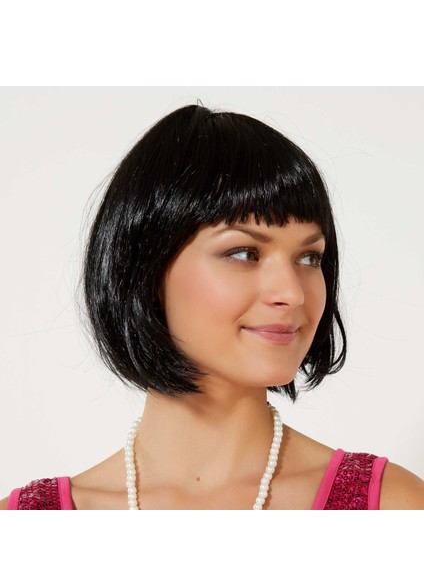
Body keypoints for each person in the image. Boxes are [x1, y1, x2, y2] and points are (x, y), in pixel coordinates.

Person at [2, 104, 423, 510]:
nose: (293, 293)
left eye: (309, 258)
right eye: (244, 253)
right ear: (146, 272)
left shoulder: (392, 506)